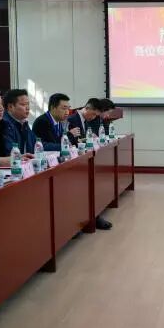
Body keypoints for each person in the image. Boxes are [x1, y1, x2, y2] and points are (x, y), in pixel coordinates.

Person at [69, 98, 113, 230]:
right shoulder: (72, 119)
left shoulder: (86, 120)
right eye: (93, 114)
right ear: (87, 108)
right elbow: (72, 141)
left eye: (96, 115)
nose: (94, 118)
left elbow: (85, 138)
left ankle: (94, 215)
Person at [2, 89, 36, 155]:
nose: (27, 108)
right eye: (23, 104)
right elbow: (11, 153)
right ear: (10, 107)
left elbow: (36, 144)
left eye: (28, 104)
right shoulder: (5, 124)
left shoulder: (23, 122)